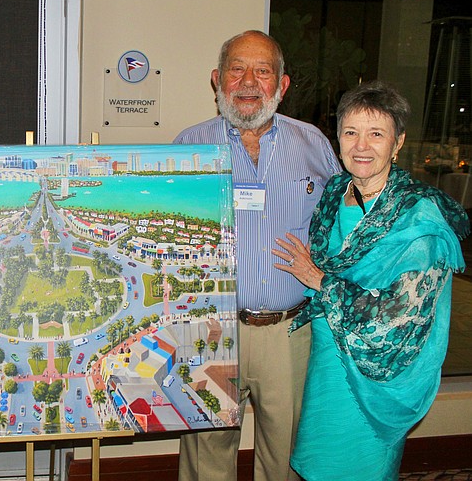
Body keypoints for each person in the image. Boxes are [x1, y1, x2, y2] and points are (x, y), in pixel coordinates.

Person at [273, 81, 469, 480]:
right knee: (316, 463)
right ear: (338, 140)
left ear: (397, 144)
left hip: (376, 374)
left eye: (376, 134)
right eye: (351, 132)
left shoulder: (418, 217)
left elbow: (402, 316)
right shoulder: (332, 193)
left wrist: (320, 281)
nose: (361, 145)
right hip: (328, 357)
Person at [172, 30, 341, 481]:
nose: (249, 81)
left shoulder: (315, 145)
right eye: (237, 69)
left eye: (263, 71)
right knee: (205, 451)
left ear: (282, 86)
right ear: (216, 80)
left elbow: (346, 224)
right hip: (209, 328)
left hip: (289, 333)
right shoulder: (187, 147)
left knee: (285, 454)